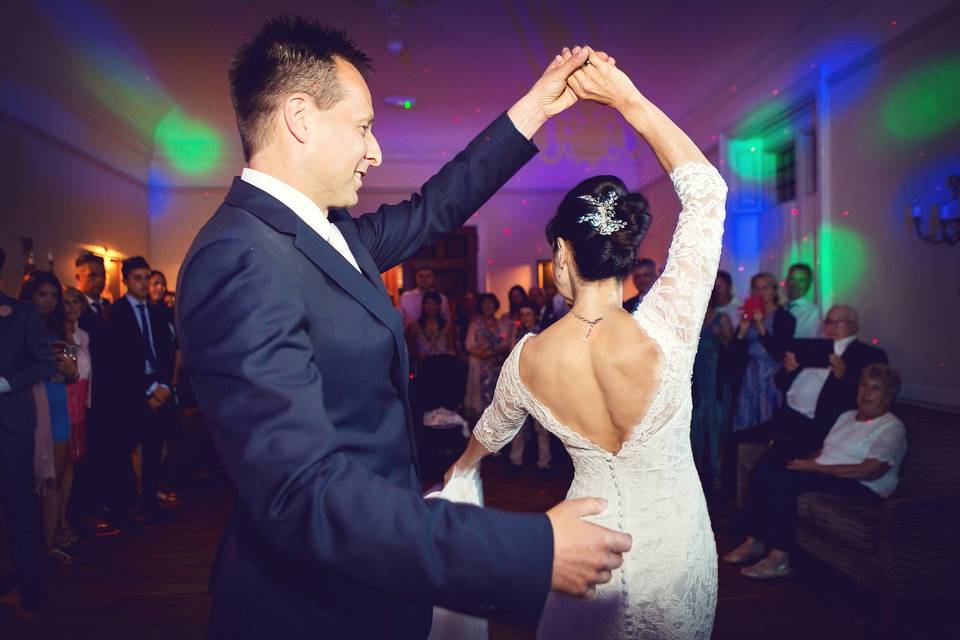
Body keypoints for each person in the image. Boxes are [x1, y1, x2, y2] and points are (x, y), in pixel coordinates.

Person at [175, 18, 630, 639]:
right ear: (300, 118)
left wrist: (534, 108)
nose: (375, 150)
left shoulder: (333, 236)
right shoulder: (240, 257)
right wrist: (532, 548)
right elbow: (303, 492)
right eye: (362, 127)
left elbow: (434, 207)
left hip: (374, 580)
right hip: (310, 610)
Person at [448, 48, 726, 639]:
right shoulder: (671, 322)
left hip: (585, 551)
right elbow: (707, 194)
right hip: (676, 545)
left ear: (561, 255)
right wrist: (629, 99)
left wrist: (462, 469)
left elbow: (493, 432)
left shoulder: (528, 358)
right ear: (625, 256)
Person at [723, 364, 906, 579]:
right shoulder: (847, 416)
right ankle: (755, 540)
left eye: (875, 388)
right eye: (863, 386)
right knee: (767, 468)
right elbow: (827, 450)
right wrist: (807, 462)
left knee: (784, 480)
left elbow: (870, 471)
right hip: (827, 474)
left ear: (888, 396)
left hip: (863, 487)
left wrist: (814, 468)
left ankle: (780, 559)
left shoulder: (891, 427)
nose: (866, 393)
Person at [100, 257, 177, 521]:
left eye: (146, 277)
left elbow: (168, 351)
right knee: (125, 450)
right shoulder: (114, 313)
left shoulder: (157, 311)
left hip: (160, 386)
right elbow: (116, 361)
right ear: (125, 280)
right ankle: (125, 507)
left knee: (154, 449)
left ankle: (150, 503)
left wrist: (165, 385)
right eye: (137, 278)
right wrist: (147, 392)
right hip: (131, 393)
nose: (144, 283)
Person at [0, 247, 53, 613]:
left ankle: (32, 595)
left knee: (20, 513)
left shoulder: (21, 313)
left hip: (10, 428)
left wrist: (5, 383)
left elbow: (44, 363)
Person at [19, 271, 78, 565]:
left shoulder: (57, 330)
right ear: (30, 295)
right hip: (29, 406)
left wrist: (68, 368)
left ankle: (50, 546)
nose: (49, 301)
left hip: (57, 405)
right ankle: (20, 551)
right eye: (43, 294)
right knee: (25, 482)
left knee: (53, 480)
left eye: (53, 295)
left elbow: (72, 374)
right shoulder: (17, 325)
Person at [732, 272, 796, 432]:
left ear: (774, 290)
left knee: (767, 420)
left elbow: (779, 351)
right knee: (746, 420)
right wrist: (741, 333)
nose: (761, 293)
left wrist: (761, 327)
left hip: (771, 375)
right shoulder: (749, 314)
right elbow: (735, 351)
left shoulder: (785, 317)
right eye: (756, 289)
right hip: (749, 375)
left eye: (765, 288)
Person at [691, 288, 733, 491]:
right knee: (696, 427)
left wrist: (721, 336)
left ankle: (717, 476)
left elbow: (732, 350)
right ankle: (697, 472)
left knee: (715, 427)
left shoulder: (722, 318)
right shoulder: (693, 316)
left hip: (715, 381)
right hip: (695, 382)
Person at [61, 287, 91, 549]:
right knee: (60, 468)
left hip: (81, 407)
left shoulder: (84, 336)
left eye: (75, 302)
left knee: (73, 468)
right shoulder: (56, 337)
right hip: (62, 405)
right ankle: (59, 524)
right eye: (66, 302)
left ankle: (67, 520)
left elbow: (87, 376)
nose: (71, 307)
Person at [508, 302, 552, 475]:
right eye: (522, 314)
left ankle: (544, 462)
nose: (525, 317)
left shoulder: (541, 332)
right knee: (517, 424)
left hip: (538, 383)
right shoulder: (518, 332)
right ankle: (515, 460)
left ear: (535, 315)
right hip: (520, 381)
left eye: (528, 314)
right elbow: (512, 353)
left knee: (541, 426)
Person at [464, 293, 514, 419]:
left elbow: (508, 342)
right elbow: (469, 345)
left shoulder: (503, 323)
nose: (488, 306)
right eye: (485, 303)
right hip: (481, 367)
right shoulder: (475, 324)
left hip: (498, 366)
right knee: (482, 403)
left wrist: (497, 351)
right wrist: (484, 353)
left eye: (491, 303)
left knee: (499, 399)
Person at [783, 263, 820, 338]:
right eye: (792, 279)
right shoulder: (781, 308)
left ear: (809, 284)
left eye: (801, 280)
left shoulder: (813, 313)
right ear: (786, 281)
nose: (795, 284)